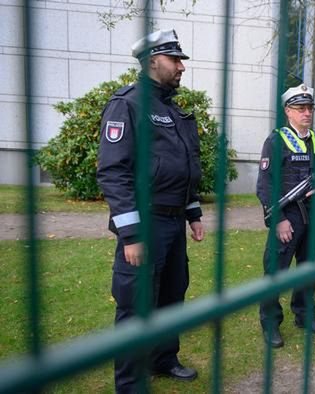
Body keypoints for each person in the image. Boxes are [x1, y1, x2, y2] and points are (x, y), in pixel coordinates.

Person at [97, 29, 204, 393]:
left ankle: (163, 359)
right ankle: (130, 383)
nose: (181, 67)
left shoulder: (171, 108)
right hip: (145, 222)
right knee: (136, 304)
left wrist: (193, 213)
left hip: (173, 222)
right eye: (175, 60)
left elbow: (183, 167)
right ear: (152, 61)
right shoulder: (127, 103)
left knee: (173, 295)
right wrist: (130, 233)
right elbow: (113, 171)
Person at [255, 84, 315, 348]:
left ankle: (304, 316)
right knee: (276, 272)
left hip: (313, 216)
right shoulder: (276, 141)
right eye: (300, 108)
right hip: (287, 217)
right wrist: (279, 218)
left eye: (310, 108)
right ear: (287, 111)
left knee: (308, 268)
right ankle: (270, 324)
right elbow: (265, 185)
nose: (307, 113)